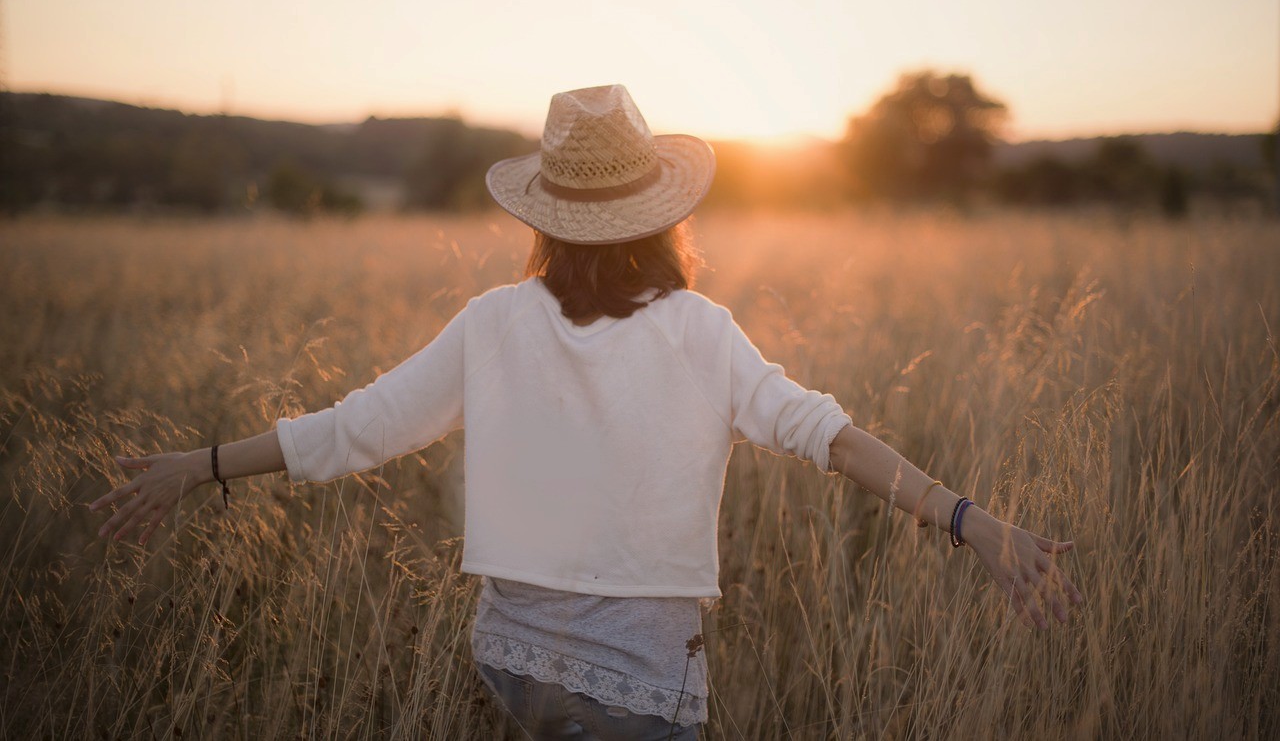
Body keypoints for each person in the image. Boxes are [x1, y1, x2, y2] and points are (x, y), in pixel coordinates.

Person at [90, 85, 1084, 740]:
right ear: (664, 212)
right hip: (640, 688)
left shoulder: (490, 322)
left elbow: (357, 426)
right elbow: (829, 436)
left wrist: (202, 464)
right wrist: (969, 519)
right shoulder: (700, 329)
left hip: (513, 664)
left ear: (545, 217)